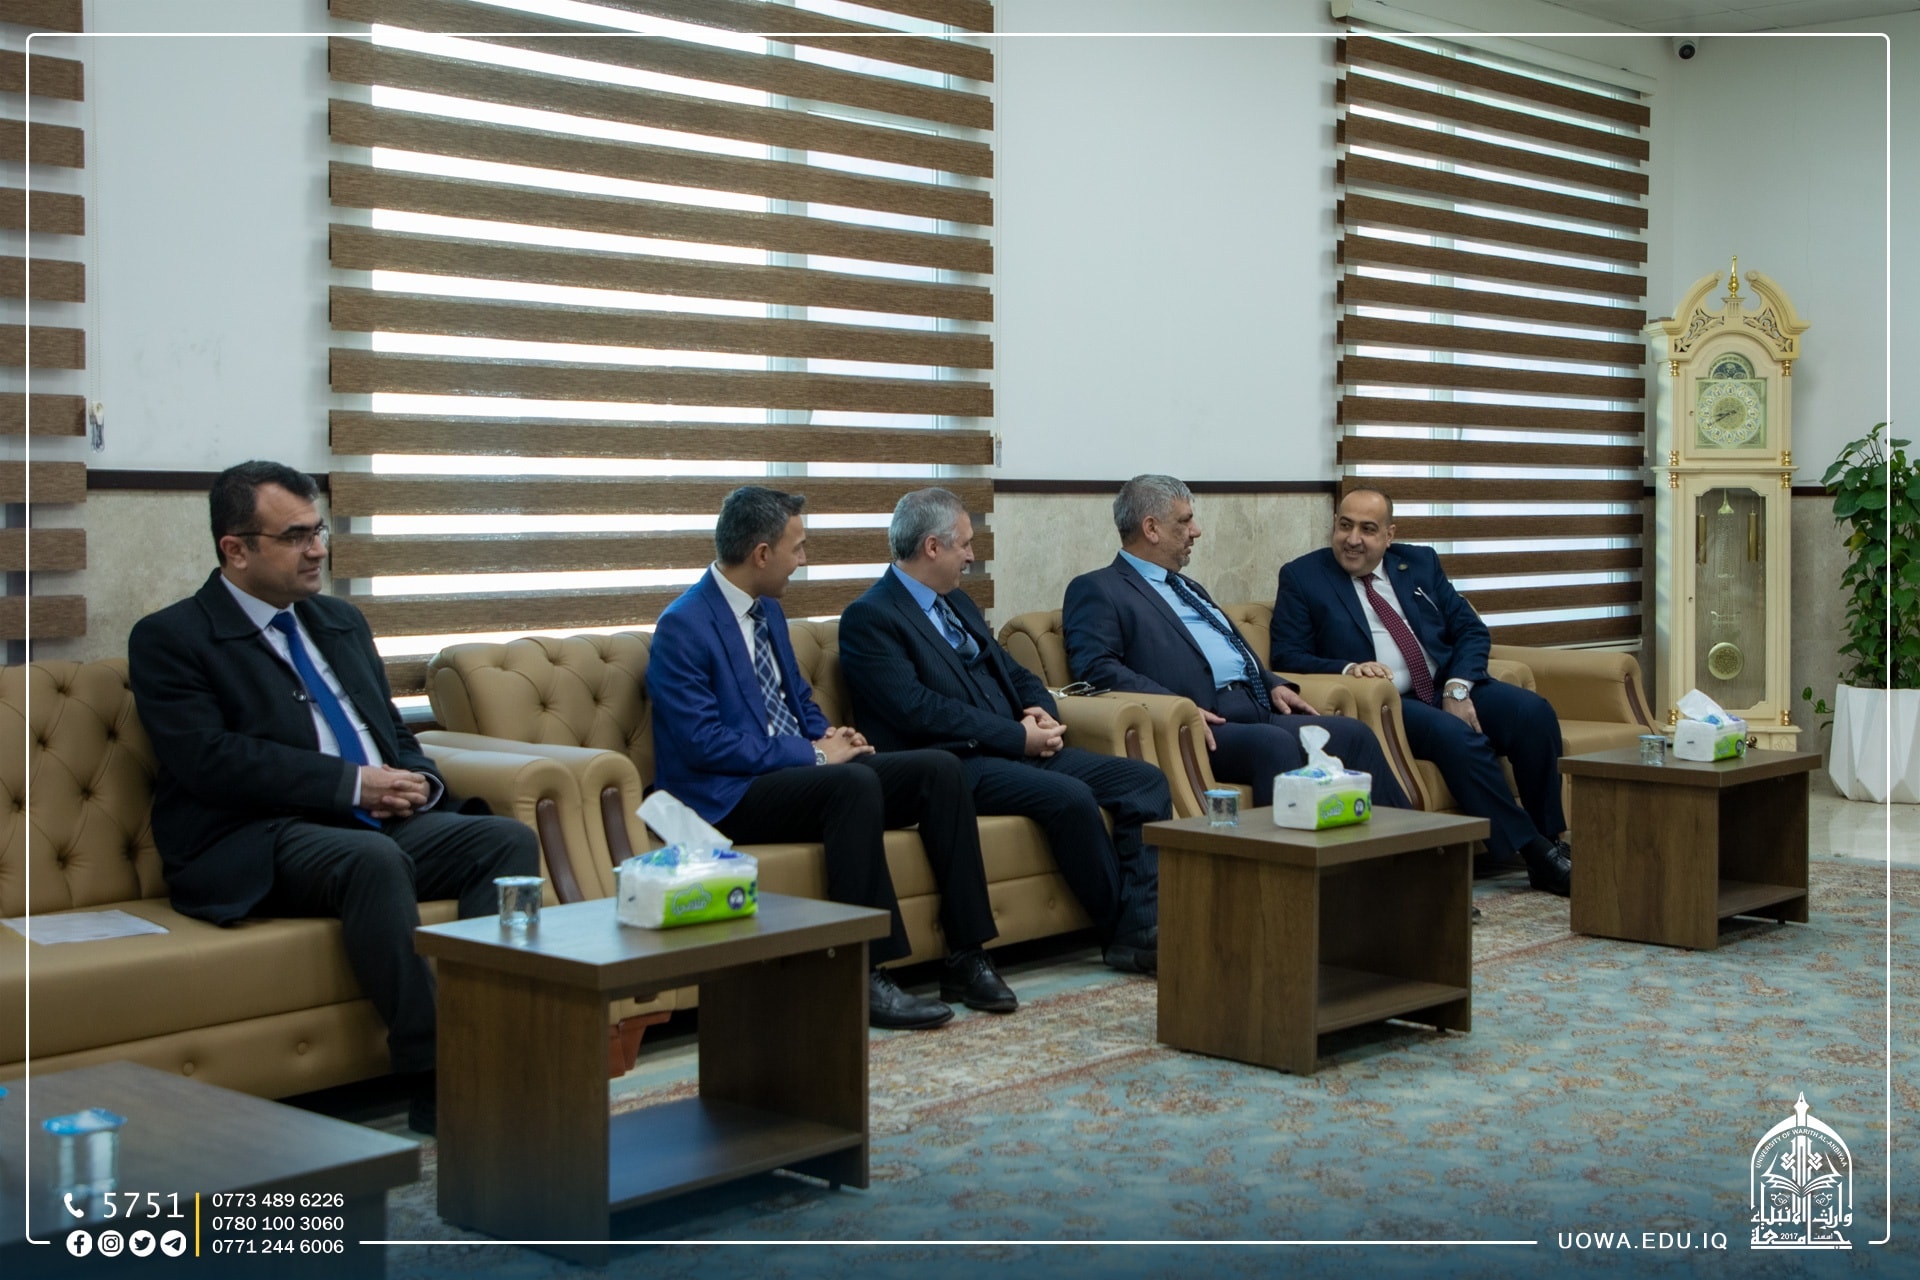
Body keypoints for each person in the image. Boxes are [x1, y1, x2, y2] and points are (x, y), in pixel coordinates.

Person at [128, 461, 541, 1134]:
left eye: (317, 530)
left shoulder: (340, 621)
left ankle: (490, 1040)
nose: (317, 549)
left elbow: (391, 732)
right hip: (259, 833)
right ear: (236, 549)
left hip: (368, 820)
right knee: (371, 861)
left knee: (505, 841)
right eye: (294, 536)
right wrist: (351, 783)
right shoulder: (172, 638)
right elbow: (210, 761)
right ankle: (438, 1073)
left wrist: (418, 784)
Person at [647, 486, 1014, 1030]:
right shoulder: (684, 625)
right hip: (726, 793)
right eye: (797, 548)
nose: (803, 559)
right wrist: (814, 753)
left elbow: (795, 698)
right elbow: (703, 742)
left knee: (937, 770)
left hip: (792, 772)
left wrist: (831, 734)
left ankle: (967, 956)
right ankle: (864, 972)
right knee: (851, 786)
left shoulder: (768, 612)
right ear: (762, 554)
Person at [837, 487, 1169, 976]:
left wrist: (1040, 711)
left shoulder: (957, 603)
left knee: (1145, 781)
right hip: (955, 765)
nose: (972, 556)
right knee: (1071, 798)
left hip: (1018, 747)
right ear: (932, 547)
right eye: (965, 545)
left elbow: (1014, 672)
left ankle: (1141, 928)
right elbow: (920, 710)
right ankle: (1123, 930)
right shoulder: (871, 617)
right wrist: (1017, 736)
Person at [1270, 487, 1573, 895]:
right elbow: (1286, 655)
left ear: (1389, 535)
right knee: (1457, 737)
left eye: (1367, 529)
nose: (1353, 539)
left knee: (1533, 714)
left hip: (1445, 683)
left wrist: (1458, 688)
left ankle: (1551, 839)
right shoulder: (1303, 577)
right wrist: (1348, 668)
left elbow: (1470, 630)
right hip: (1392, 703)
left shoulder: (1418, 564)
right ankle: (1534, 851)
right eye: (1344, 525)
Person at [1063, 474, 1410, 811]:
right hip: (1199, 722)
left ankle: (1406, 844)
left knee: (1354, 734)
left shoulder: (1187, 586)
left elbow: (1230, 647)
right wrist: (1177, 705)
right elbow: (1096, 668)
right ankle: (1280, 854)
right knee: (1274, 744)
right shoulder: (1099, 588)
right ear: (1151, 528)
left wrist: (1272, 683)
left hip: (1256, 706)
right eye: (1184, 521)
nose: (1196, 531)